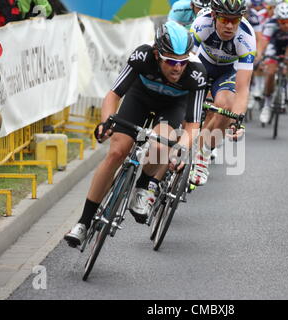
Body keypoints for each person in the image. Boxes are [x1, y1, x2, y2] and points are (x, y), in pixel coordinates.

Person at [64, 21, 208, 247]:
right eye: (170, 61)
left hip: (172, 105)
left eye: (182, 62)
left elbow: (192, 125)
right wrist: (105, 123)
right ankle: (83, 222)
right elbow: (113, 95)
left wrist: (181, 150)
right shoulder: (142, 56)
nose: (177, 68)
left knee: (161, 147)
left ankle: (144, 184)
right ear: (156, 54)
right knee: (116, 152)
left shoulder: (197, 74)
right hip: (139, 97)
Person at [188, 0, 256, 186]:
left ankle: (203, 155)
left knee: (226, 107)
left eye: (234, 20)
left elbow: (242, 88)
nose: (229, 25)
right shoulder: (202, 24)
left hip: (228, 70)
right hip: (201, 63)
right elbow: (184, 63)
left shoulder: (247, 37)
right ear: (214, 15)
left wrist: (238, 119)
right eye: (225, 19)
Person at [256, 1, 288, 119]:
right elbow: (263, 44)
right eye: (283, 22)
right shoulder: (270, 24)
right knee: (270, 73)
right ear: (278, 20)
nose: (286, 25)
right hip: (274, 46)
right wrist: (258, 58)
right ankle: (267, 105)